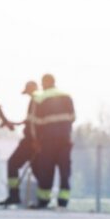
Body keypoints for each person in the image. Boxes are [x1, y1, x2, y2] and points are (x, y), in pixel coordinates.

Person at [31, 74, 76, 209]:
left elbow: (35, 123)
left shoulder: (39, 98)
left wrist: (36, 141)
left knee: (46, 170)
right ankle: (63, 201)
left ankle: (44, 200)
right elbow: (73, 117)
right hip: (64, 140)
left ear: (44, 83)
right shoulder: (67, 96)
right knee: (64, 170)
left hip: (47, 141)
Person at [0, 81, 39, 207]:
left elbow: (33, 123)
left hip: (31, 141)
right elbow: (30, 121)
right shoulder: (37, 101)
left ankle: (15, 195)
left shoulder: (36, 101)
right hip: (34, 140)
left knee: (13, 163)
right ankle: (40, 199)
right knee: (37, 169)